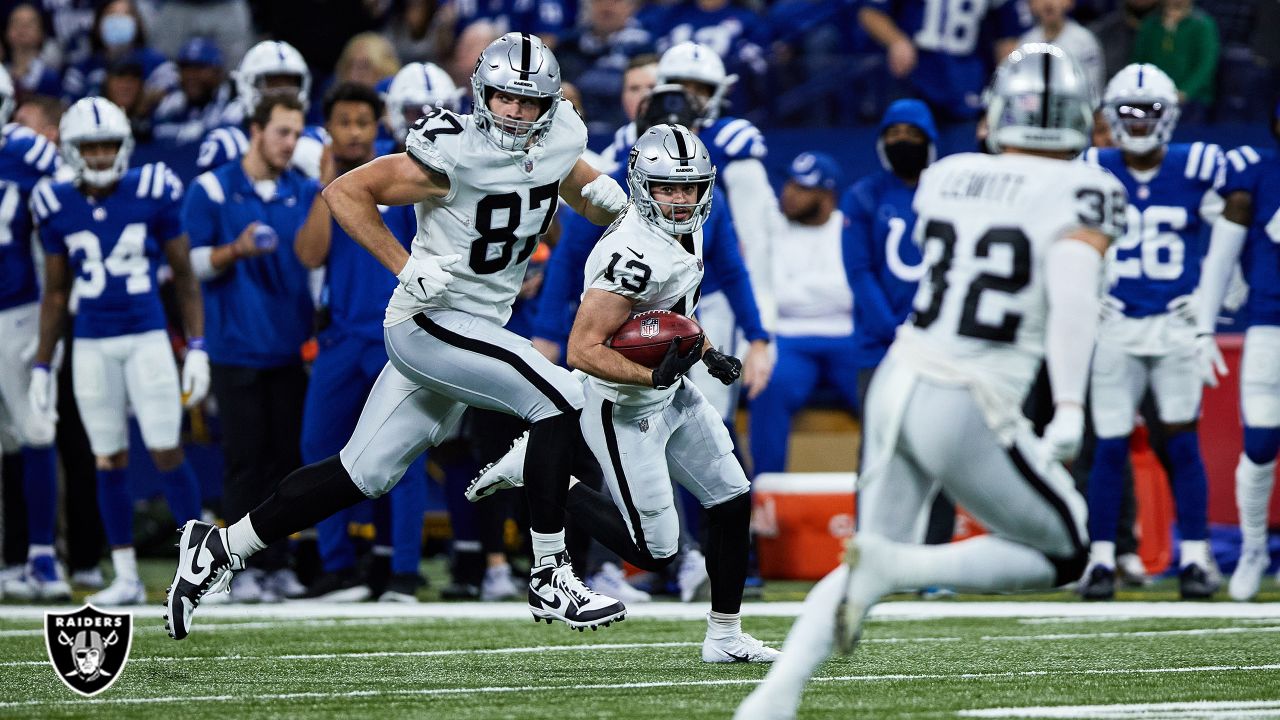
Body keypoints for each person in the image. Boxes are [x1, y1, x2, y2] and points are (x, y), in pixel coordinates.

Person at [164, 32, 631, 640]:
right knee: (561, 399)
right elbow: (345, 192)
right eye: (504, 99)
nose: (516, 112)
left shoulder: (560, 135)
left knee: (365, 472)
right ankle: (550, 574)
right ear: (480, 93)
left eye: (530, 102)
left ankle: (220, 547)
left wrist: (603, 204)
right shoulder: (453, 150)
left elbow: (563, 177)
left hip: (476, 327)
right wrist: (404, 264)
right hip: (429, 320)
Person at [735, 44, 1121, 719]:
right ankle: (904, 569)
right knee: (1068, 551)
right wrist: (1066, 405)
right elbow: (1072, 294)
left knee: (864, 558)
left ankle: (771, 701)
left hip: (899, 376)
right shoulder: (1087, 188)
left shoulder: (951, 176)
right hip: (966, 395)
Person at [473, 123, 780, 662]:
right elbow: (582, 350)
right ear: (643, 186)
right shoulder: (630, 255)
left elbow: (672, 316)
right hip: (621, 405)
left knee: (731, 502)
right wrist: (652, 377)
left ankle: (725, 637)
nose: (681, 199)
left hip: (671, 392)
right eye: (668, 188)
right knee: (654, 552)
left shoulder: (689, 229)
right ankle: (537, 472)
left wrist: (708, 354)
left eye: (689, 187)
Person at [28, 97, 208, 606]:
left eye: (109, 144)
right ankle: (126, 573)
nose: (102, 154)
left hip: (146, 334)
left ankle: (203, 570)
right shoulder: (54, 202)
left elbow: (187, 279)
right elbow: (57, 292)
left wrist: (196, 345)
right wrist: (43, 362)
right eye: (92, 146)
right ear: (71, 149)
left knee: (166, 448)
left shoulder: (154, 190)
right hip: (91, 343)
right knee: (107, 457)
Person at [1075, 63, 1222, 601]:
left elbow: (1230, 235)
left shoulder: (1199, 165)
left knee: (1182, 444)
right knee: (1109, 446)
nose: (1138, 123)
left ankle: (1197, 558)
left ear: (1172, 116)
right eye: (1129, 113)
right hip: (1115, 321)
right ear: (1111, 117)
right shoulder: (1090, 166)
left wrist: (1209, 304)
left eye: (1150, 112)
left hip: (1175, 325)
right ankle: (1101, 560)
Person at [181, 92, 318, 604]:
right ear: (255, 130)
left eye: (296, 133)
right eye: (282, 132)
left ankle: (278, 564)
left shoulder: (304, 189)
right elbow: (187, 268)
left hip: (286, 346)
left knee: (285, 463)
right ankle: (232, 569)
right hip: (234, 347)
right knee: (244, 461)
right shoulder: (212, 189)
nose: (290, 143)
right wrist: (233, 250)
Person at [293, 82, 428, 603]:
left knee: (407, 451)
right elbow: (308, 255)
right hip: (340, 340)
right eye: (342, 122)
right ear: (328, 129)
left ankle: (405, 573)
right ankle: (338, 568)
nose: (352, 131)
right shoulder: (322, 189)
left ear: (379, 128)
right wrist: (330, 187)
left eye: (361, 122)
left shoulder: (400, 182)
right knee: (318, 447)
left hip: (397, 337)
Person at [1196, 110, 1280, 602]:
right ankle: (1253, 548)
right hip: (1269, 323)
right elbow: (1221, 254)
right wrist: (1205, 326)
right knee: (1262, 441)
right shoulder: (1255, 170)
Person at [748, 151, 858, 475]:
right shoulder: (773, 229)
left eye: (803, 188)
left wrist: (797, 290)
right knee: (766, 384)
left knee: (883, 393)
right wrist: (822, 291)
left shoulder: (848, 227)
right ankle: (769, 494)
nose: (790, 194)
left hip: (846, 339)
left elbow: (851, 293)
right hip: (789, 338)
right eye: (791, 184)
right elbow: (771, 294)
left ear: (827, 196)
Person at [0, 65, 66, 602]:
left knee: (35, 429)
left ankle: (42, 555)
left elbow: (60, 228)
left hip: (17, 309)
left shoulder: (31, 153)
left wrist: (52, 320)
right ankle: (15, 554)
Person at [858, 0, 1029, 122]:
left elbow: (1007, 34)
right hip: (915, 71)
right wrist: (896, 41)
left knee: (962, 150)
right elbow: (870, 11)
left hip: (967, 76)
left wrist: (1003, 87)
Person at [195, 40, 327, 179]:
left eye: (290, 85)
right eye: (272, 84)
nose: (281, 97)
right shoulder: (228, 142)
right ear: (246, 85)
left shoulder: (318, 138)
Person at [1132, 0, 1219, 123]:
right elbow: (1139, 61)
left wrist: (1185, 92)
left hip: (1192, 100)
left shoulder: (1202, 24)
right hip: (1153, 98)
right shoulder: (1150, 23)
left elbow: (1206, 64)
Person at [152, 37, 233, 146]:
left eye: (199, 68)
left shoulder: (232, 104)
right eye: (186, 68)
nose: (191, 76)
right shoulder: (171, 103)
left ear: (217, 72)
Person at [1020, 0, 1105, 99]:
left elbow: (1093, 90)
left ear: (1069, 2)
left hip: (1074, 108)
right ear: (1031, 5)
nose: (1048, 3)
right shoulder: (1026, 43)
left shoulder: (1084, 41)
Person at [3, 3, 62, 100]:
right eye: (16, 22)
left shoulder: (50, 77)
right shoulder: (3, 71)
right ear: (6, 32)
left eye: (29, 24)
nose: (22, 28)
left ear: (42, 33)